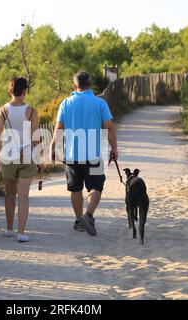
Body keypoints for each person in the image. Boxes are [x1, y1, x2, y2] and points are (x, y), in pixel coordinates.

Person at [50, 71, 118, 236]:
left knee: (75, 189)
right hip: (94, 154)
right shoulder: (99, 103)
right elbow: (109, 127)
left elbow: (59, 128)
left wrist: (53, 146)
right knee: (95, 187)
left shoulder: (66, 103)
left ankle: (79, 220)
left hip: (72, 155)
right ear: (90, 85)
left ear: (75, 86)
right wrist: (114, 148)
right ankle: (88, 215)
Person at [0, 77, 39, 242]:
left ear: (10, 90)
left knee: (10, 194)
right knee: (23, 196)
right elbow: (35, 139)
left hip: (8, 155)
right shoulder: (31, 111)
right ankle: (21, 233)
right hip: (26, 156)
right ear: (24, 91)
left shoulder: (2, 110)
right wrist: (39, 160)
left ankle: (9, 229)